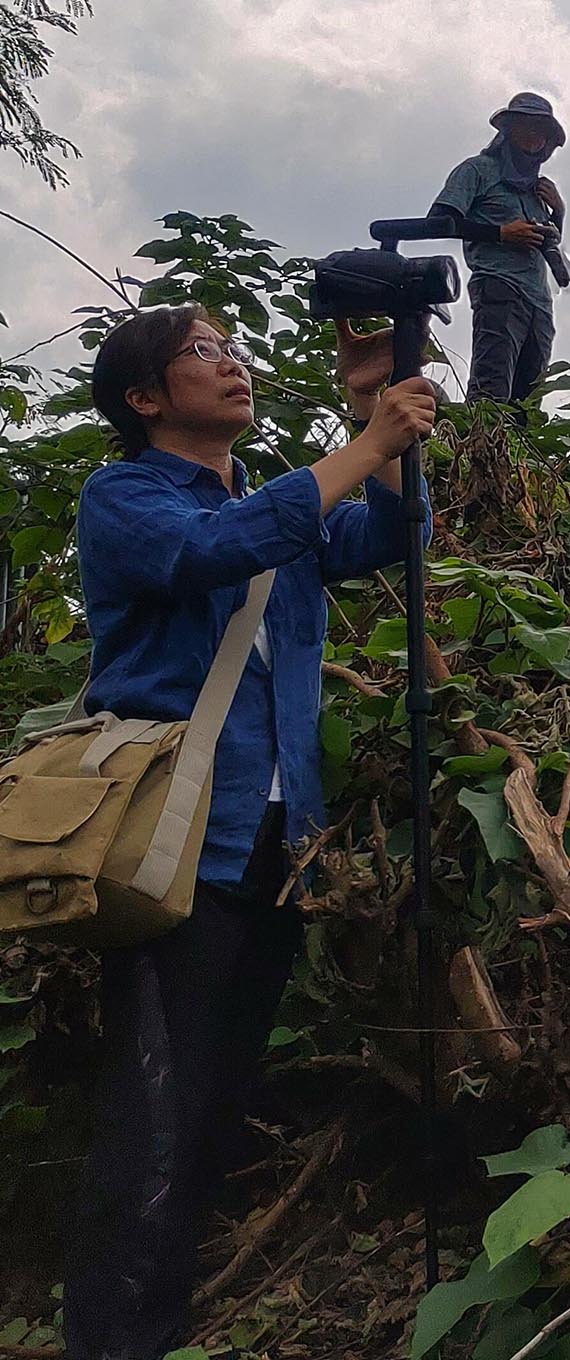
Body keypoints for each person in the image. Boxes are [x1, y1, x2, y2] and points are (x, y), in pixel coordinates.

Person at [64, 304, 437, 1359]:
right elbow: (214, 553)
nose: (232, 366)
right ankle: (115, 1342)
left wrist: (379, 417)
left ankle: (158, 1326)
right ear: (144, 398)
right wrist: (363, 443)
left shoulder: (271, 498)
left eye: (235, 350)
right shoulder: (127, 493)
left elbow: (394, 535)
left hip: (277, 841)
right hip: (176, 836)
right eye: (202, 353)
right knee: (155, 1120)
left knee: (214, 1105)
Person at [430, 91, 568, 421]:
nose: (535, 139)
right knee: (491, 394)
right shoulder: (478, 170)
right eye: (527, 128)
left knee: (527, 406)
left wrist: (558, 212)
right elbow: (439, 221)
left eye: (542, 133)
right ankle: (478, 460)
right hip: (500, 289)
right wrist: (501, 234)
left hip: (538, 302)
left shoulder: (537, 190)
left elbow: (548, 244)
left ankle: (520, 468)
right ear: (509, 130)